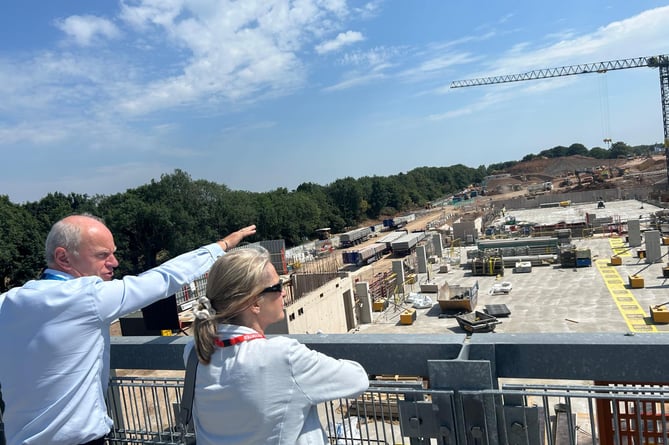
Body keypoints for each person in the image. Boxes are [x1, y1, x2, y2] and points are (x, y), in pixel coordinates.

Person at [0, 213, 256, 445]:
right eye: (102, 255)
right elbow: (164, 278)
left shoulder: (7, 303)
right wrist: (220, 246)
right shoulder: (87, 297)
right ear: (63, 257)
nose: (114, 262)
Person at [188, 247, 369, 445]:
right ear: (254, 302)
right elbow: (357, 379)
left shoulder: (193, 352)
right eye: (277, 286)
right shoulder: (283, 356)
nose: (283, 292)